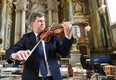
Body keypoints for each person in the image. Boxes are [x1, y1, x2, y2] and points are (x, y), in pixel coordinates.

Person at [5, 12, 74, 80]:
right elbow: (10, 50)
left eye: (43, 21)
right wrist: (14, 55)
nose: (43, 23)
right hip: (31, 77)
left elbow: (65, 52)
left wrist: (68, 36)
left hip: (53, 77)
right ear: (32, 24)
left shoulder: (53, 37)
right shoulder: (26, 38)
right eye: (39, 21)